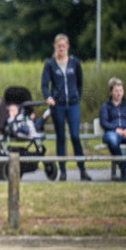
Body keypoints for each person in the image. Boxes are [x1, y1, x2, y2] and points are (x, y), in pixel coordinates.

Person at [41, 34, 90, 181]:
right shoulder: (50, 64)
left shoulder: (75, 62)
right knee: (61, 137)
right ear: (55, 47)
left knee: (75, 136)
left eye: (64, 46)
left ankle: (82, 170)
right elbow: (44, 85)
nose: (61, 48)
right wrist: (49, 97)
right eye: (59, 46)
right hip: (58, 106)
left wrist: (77, 96)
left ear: (67, 46)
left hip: (73, 105)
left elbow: (80, 82)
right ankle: (63, 171)